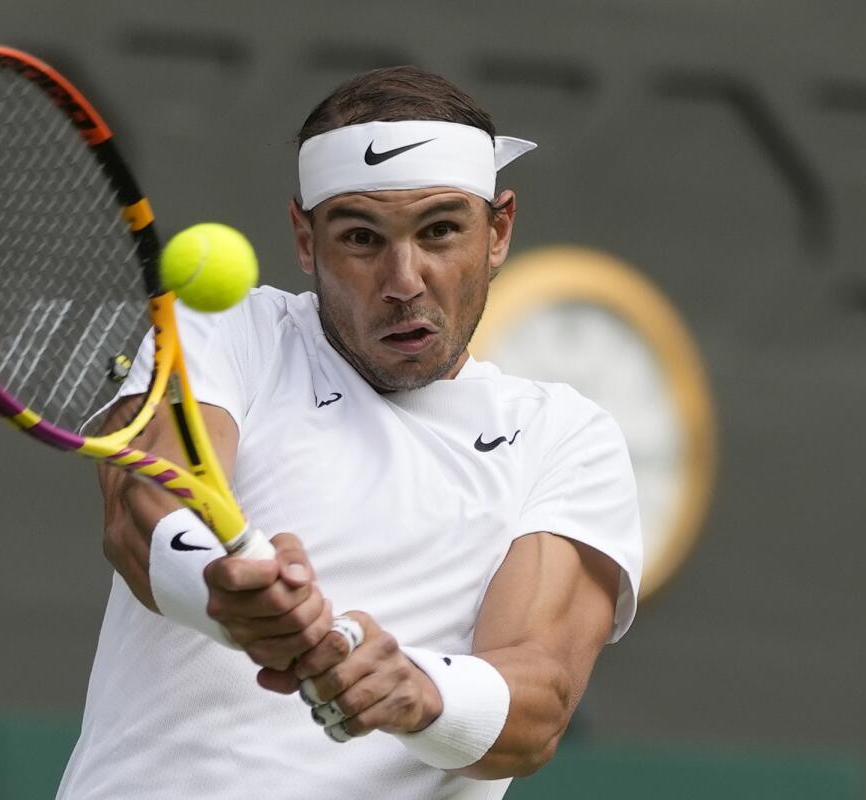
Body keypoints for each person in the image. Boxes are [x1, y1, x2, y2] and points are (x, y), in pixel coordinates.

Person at [56, 65, 642, 800]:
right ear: (306, 241)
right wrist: (221, 584)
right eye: (362, 237)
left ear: (498, 230)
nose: (404, 279)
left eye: (440, 231)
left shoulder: (563, 437)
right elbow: (143, 509)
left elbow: (539, 700)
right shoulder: (224, 329)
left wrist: (417, 691)